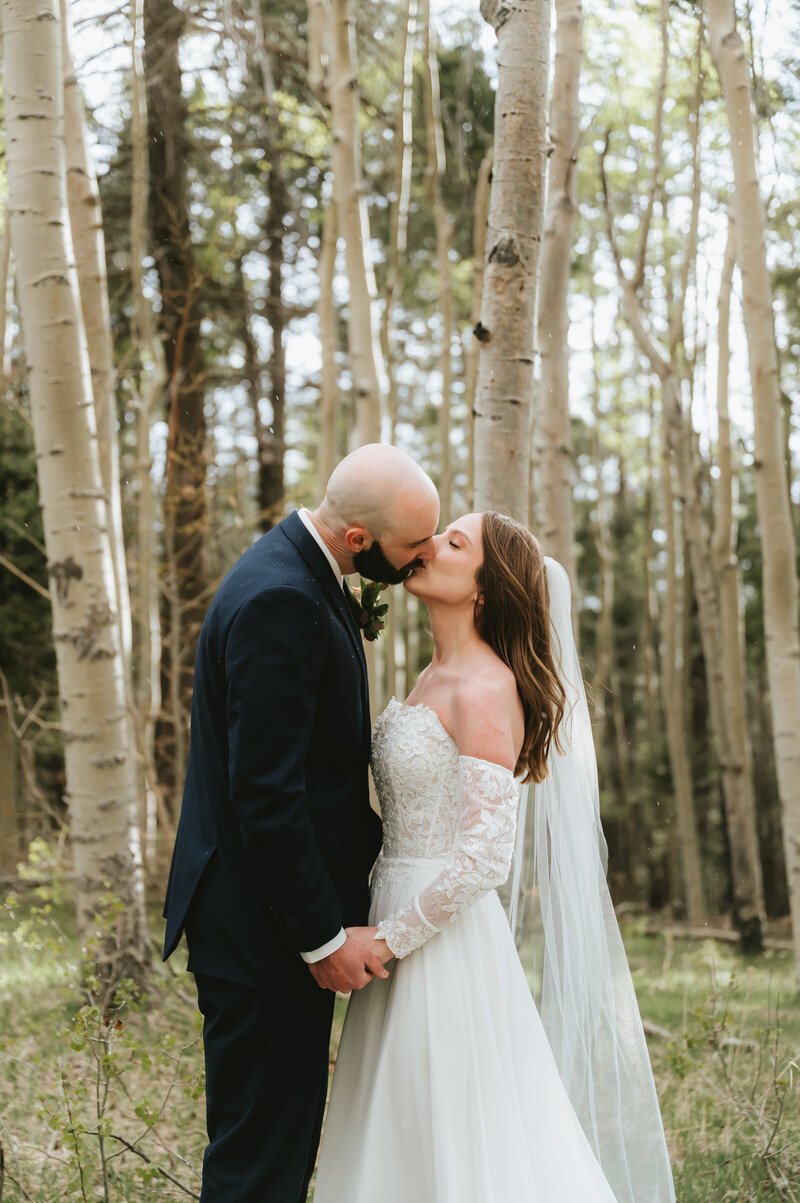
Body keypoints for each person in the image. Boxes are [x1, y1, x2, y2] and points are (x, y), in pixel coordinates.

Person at [314, 511, 676, 1203]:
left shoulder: (484, 687)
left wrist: (385, 938)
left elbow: (484, 857)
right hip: (393, 909)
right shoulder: (430, 675)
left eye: (455, 542)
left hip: (437, 942)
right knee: (397, 1125)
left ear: (484, 588)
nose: (431, 545)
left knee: (446, 1128)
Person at [161, 444, 440, 1203]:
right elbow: (267, 796)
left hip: (264, 925)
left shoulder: (297, 573)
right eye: (410, 548)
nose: (417, 562)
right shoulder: (282, 598)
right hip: (263, 935)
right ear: (358, 539)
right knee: (259, 1164)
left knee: (274, 1153)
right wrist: (321, 936)